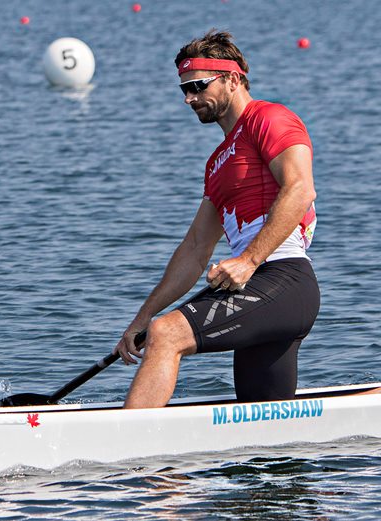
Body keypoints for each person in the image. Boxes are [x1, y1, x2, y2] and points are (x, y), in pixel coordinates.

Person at [114, 30, 319, 407]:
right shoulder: (216, 163)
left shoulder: (270, 118)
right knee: (262, 419)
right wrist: (143, 316)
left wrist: (248, 260)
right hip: (256, 290)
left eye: (198, 86)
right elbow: (194, 249)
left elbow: (300, 189)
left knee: (167, 334)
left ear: (233, 79)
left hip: (282, 278)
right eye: (184, 89)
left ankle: (126, 442)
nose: (189, 98)